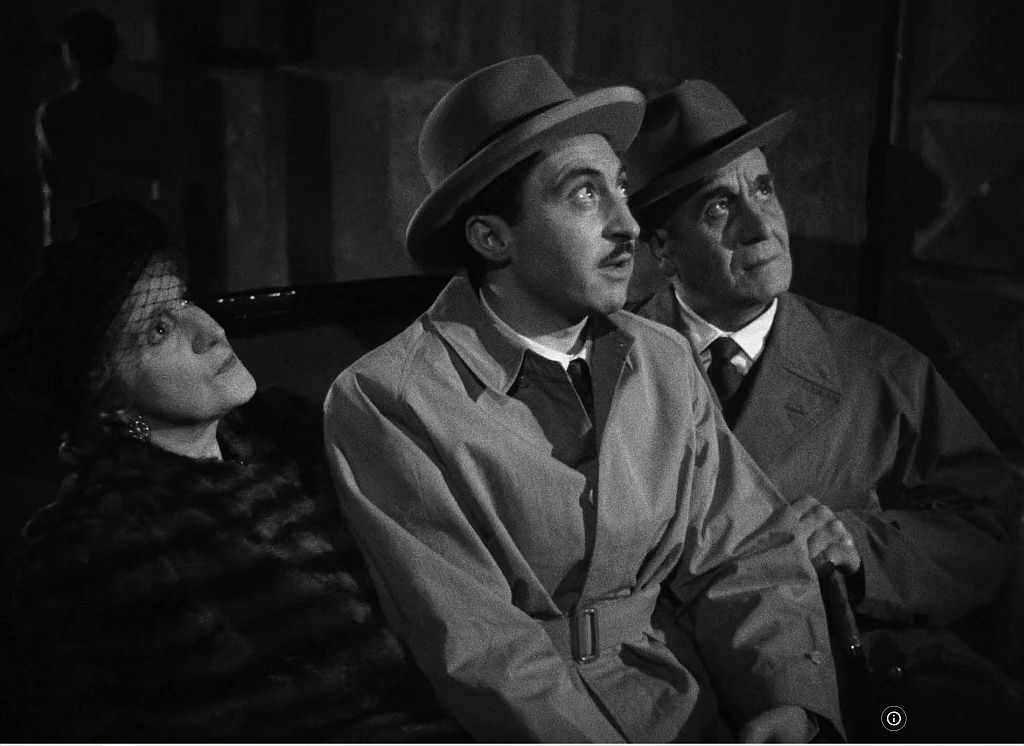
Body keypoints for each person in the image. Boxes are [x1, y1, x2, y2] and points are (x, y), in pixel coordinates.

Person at [324, 55, 844, 742]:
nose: (628, 225)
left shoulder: (660, 357)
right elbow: (482, 653)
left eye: (620, 188)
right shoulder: (388, 399)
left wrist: (786, 704)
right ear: (492, 237)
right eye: (584, 195)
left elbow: (745, 551)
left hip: (691, 705)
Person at [624, 80, 1023, 740]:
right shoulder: (610, 367)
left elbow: (990, 528)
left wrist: (860, 543)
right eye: (720, 207)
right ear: (664, 248)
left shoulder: (880, 368)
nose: (762, 227)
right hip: (668, 690)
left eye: (763, 190)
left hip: (845, 681)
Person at [3, 199, 463, 742]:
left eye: (187, 302)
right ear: (105, 391)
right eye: (159, 329)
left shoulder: (291, 436)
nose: (211, 331)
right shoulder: (93, 545)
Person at [35, 10, 174, 246]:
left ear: (70, 52)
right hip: (133, 239)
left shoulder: (56, 113)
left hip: (81, 242)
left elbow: (57, 187)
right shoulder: (143, 112)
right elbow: (163, 183)